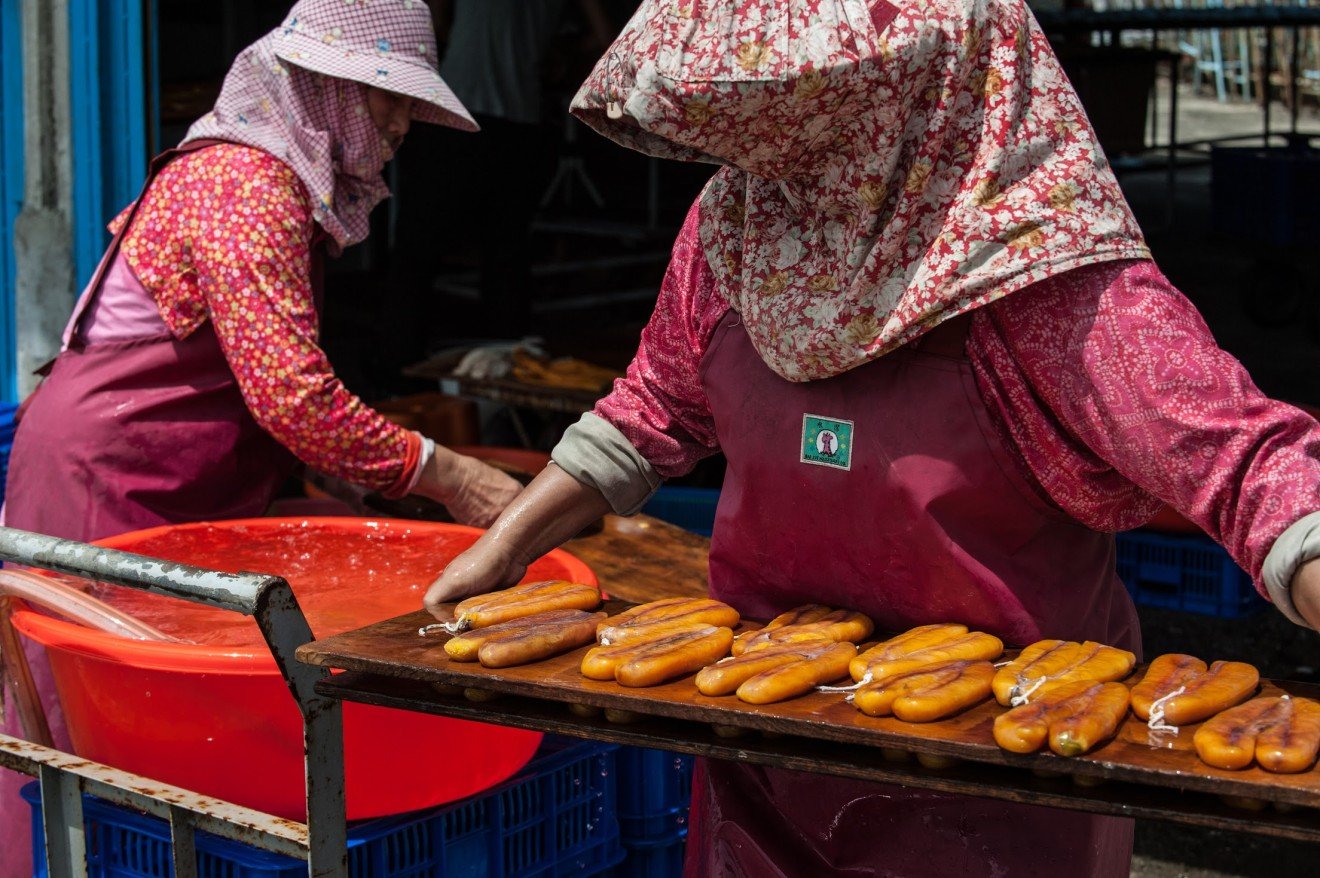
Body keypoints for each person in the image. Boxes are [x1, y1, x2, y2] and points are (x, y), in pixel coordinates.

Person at [424, 1, 1320, 875]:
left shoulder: (1047, 273)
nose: (791, 165)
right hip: (765, 727)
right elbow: (652, 407)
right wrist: (507, 545)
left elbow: (1250, 472)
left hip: (999, 763)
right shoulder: (738, 228)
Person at [0, 2, 520, 873]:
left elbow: (264, 388)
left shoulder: (277, 186)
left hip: (180, 478)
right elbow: (291, 397)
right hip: (109, 476)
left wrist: (352, 477)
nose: (398, 127)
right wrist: (451, 477)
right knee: (80, 732)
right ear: (325, 92)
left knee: (167, 738)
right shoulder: (248, 184)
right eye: (385, 101)